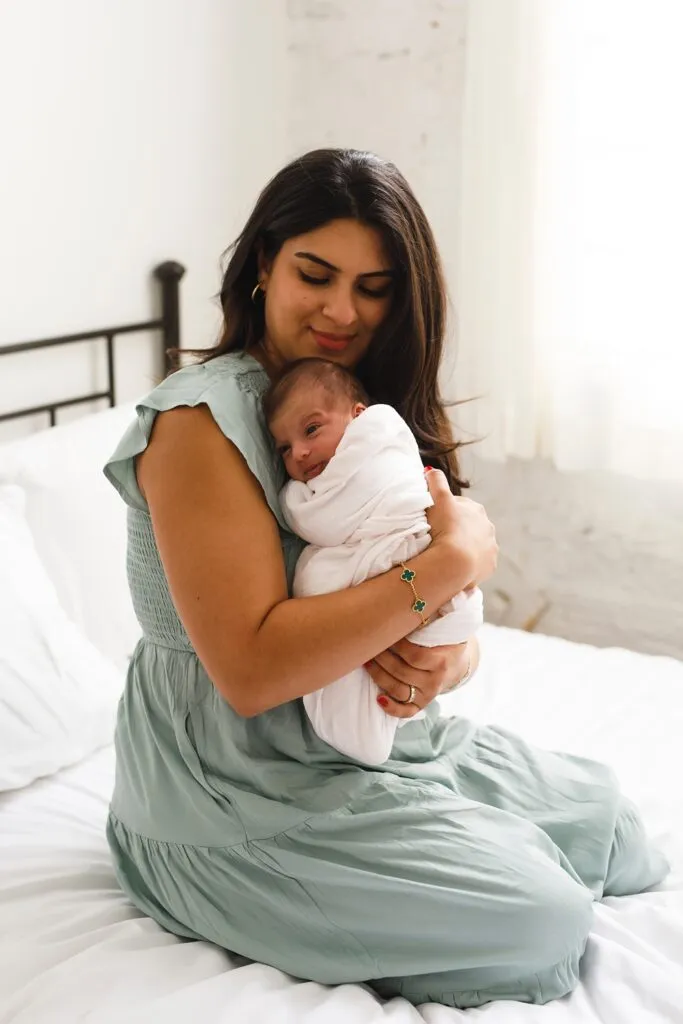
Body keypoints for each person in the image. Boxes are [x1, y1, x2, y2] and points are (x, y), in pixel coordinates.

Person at [103, 148, 668, 1010]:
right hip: (230, 792)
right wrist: (455, 555)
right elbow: (251, 673)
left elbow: (421, 600)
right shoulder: (198, 423)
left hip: (374, 742)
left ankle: (438, 841)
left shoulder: (350, 399)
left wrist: (452, 660)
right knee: (543, 921)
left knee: (615, 832)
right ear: (264, 263)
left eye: (373, 287)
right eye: (315, 274)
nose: (341, 310)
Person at [264, 356, 484, 764]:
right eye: (284, 448)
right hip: (421, 583)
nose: (299, 452)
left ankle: (369, 727)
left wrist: (461, 661)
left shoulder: (376, 445)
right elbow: (460, 554)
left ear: (359, 417)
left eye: (312, 429)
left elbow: (326, 523)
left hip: (405, 549)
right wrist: (453, 559)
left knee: (318, 579)